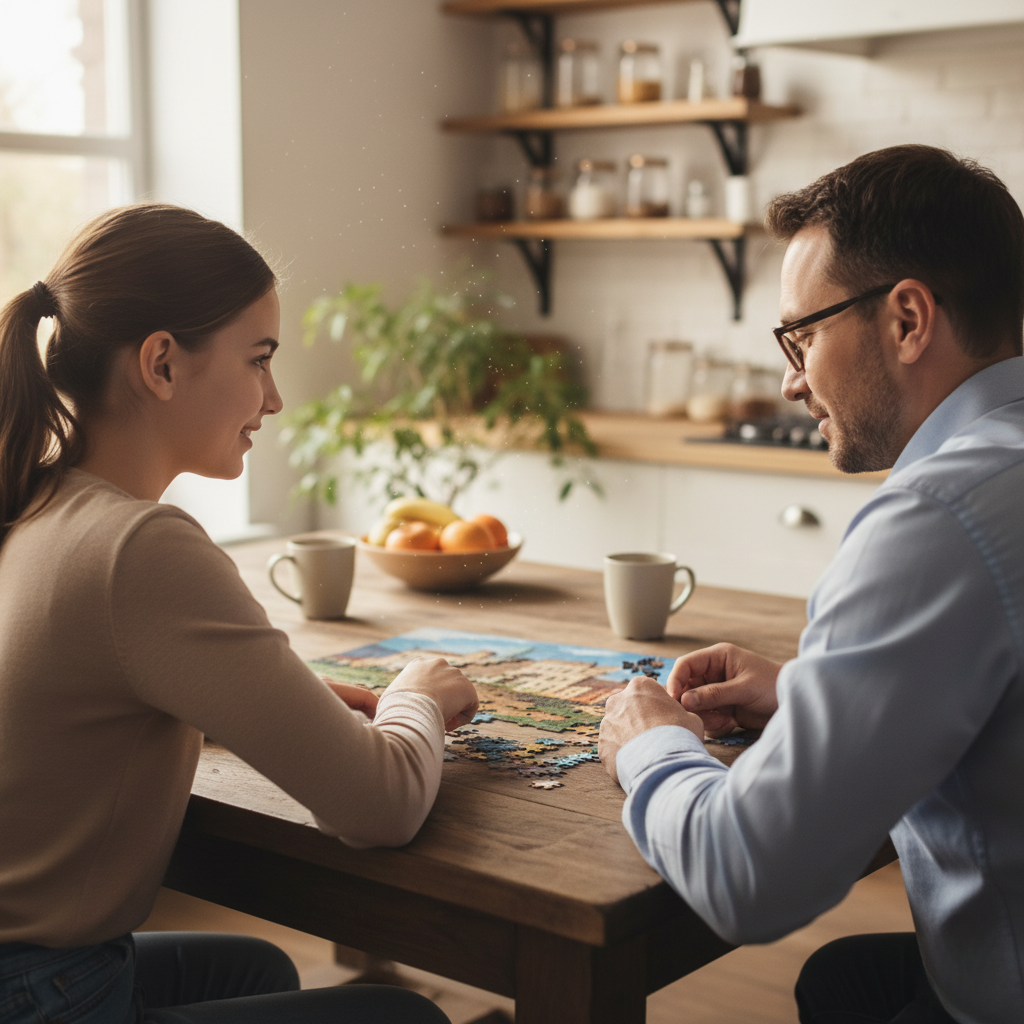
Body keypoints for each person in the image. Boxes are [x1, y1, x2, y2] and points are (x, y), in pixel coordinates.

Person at [0, 202, 479, 1023]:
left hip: (30, 968)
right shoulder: (141, 547)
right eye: (258, 360)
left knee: (254, 968)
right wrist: (418, 700)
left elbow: (81, 702)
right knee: (408, 1019)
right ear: (161, 365)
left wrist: (259, 702)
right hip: (44, 995)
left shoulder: (37, 496)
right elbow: (380, 806)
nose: (276, 397)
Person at [598, 145, 1024, 1024]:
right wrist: (804, 690)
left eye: (803, 336)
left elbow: (747, 876)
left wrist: (647, 744)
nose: (792, 380)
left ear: (908, 318)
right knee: (837, 983)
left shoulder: (941, 514)